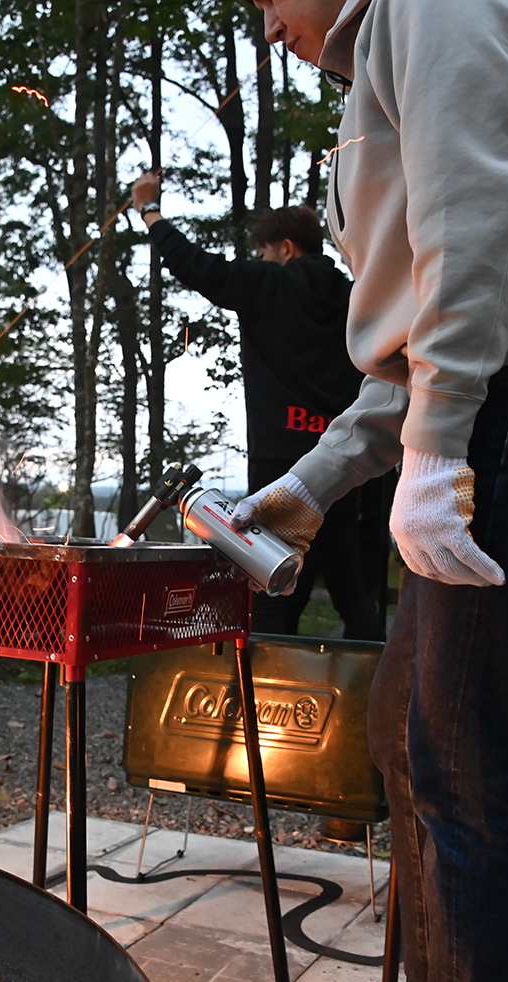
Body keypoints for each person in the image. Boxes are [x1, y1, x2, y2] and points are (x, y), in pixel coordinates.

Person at [235, 1, 508, 982]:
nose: (266, 27)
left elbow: (477, 218)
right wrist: (315, 483)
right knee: (408, 723)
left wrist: (437, 451)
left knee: (473, 761)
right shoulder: (382, 65)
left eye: (267, 2)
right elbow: (417, 328)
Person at [132, 175, 384, 640]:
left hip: (278, 454)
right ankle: (374, 683)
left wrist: (150, 212)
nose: (263, 260)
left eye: (265, 252)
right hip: (339, 458)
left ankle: (264, 680)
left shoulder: (269, 283)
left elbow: (195, 266)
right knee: (350, 583)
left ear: (285, 247)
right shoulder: (354, 296)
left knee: (268, 575)